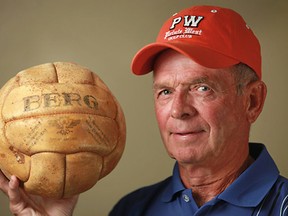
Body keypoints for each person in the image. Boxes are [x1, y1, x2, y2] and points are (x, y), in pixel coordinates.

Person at [1, 5, 288, 216]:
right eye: (165, 91)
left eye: (202, 88)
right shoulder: (130, 210)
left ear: (252, 101)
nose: (178, 110)